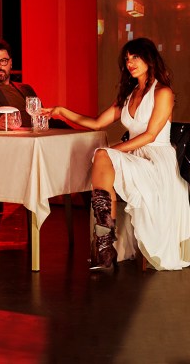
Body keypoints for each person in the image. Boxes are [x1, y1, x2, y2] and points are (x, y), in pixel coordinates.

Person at [47, 37, 190, 271]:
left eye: (135, 57)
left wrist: (112, 150)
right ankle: (105, 245)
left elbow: (150, 135)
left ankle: (104, 245)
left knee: (103, 155)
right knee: (102, 157)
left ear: (149, 59)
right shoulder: (129, 94)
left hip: (156, 161)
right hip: (134, 156)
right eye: (127, 59)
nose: (130, 63)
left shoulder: (163, 92)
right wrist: (62, 111)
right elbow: (96, 123)